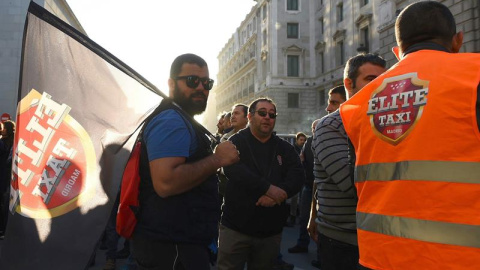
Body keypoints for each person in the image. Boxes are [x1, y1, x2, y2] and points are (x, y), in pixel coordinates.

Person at [339, 2, 480, 269]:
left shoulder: (358, 104)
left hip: (380, 257)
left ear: (397, 50)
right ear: (458, 41)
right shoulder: (473, 76)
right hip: (461, 260)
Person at [132, 53, 239, 270]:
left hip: (180, 244)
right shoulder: (171, 121)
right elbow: (166, 183)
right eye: (192, 81)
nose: (201, 87)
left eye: (207, 83)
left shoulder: (180, 118)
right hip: (171, 250)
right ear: (171, 84)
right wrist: (217, 158)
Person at [308, 53, 386, 270]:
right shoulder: (330, 126)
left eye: (384, 79)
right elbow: (354, 184)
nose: (380, 86)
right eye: (371, 80)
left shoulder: (382, 121)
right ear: (348, 84)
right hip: (343, 242)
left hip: (380, 238)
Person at [217, 97, 304, 270]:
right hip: (235, 229)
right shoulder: (235, 142)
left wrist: (281, 194)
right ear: (250, 116)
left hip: (270, 232)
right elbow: (232, 170)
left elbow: (298, 175)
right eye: (262, 113)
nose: (267, 118)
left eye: (272, 115)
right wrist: (268, 189)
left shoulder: (284, 148)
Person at [285, 132, 306, 227]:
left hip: (304, 177)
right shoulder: (292, 149)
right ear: (297, 140)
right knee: (294, 197)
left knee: (302, 198)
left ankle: (299, 216)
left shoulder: (306, 149)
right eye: (301, 140)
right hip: (293, 177)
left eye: (304, 140)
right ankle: (292, 216)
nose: (302, 141)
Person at [0, 120, 15, 239]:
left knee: (3, 202)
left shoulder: (3, 143)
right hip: (6, 177)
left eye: (4, 128)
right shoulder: (10, 142)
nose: (2, 129)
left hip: (4, 177)